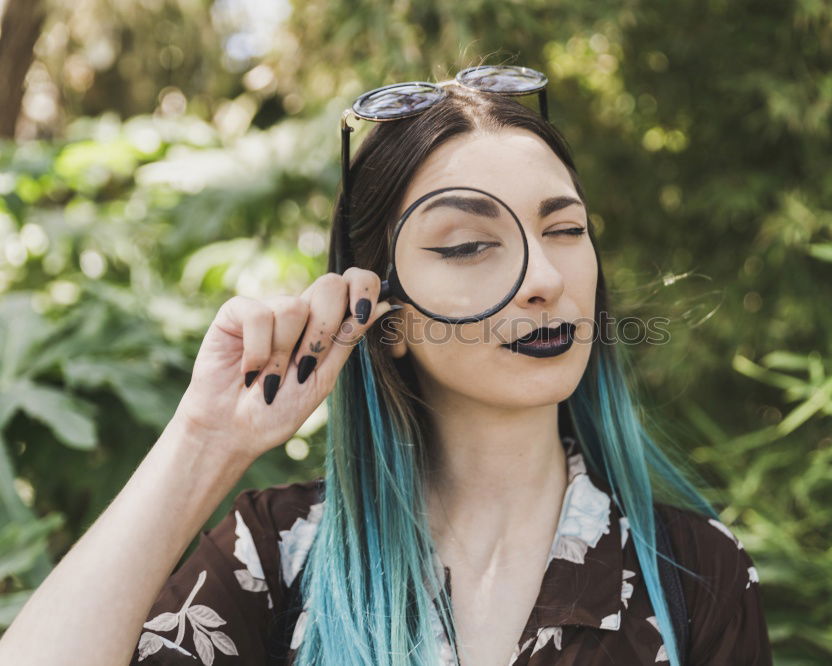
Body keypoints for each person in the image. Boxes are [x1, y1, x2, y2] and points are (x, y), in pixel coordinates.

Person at [0, 69, 772, 666]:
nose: (543, 278)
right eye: (468, 246)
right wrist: (207, 440)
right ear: (383, 311)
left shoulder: (691, 575)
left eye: (565, 229)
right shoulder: (279, 558)